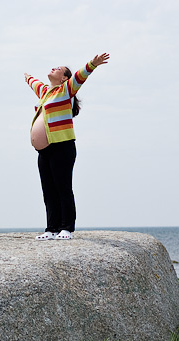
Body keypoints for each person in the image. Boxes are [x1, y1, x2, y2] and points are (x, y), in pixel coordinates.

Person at [24, 53, 110, 240]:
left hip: (62, 146)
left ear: (64, 78)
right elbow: (34, 84)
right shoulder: (46, 92)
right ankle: (51, 228)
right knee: (48, 189)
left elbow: (80, 75)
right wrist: (27, 76)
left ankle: (66, 228)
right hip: (44, 150)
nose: (54, 68)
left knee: (63, 187)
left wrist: (92, 64)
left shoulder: (65, 90)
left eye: (59, 68)